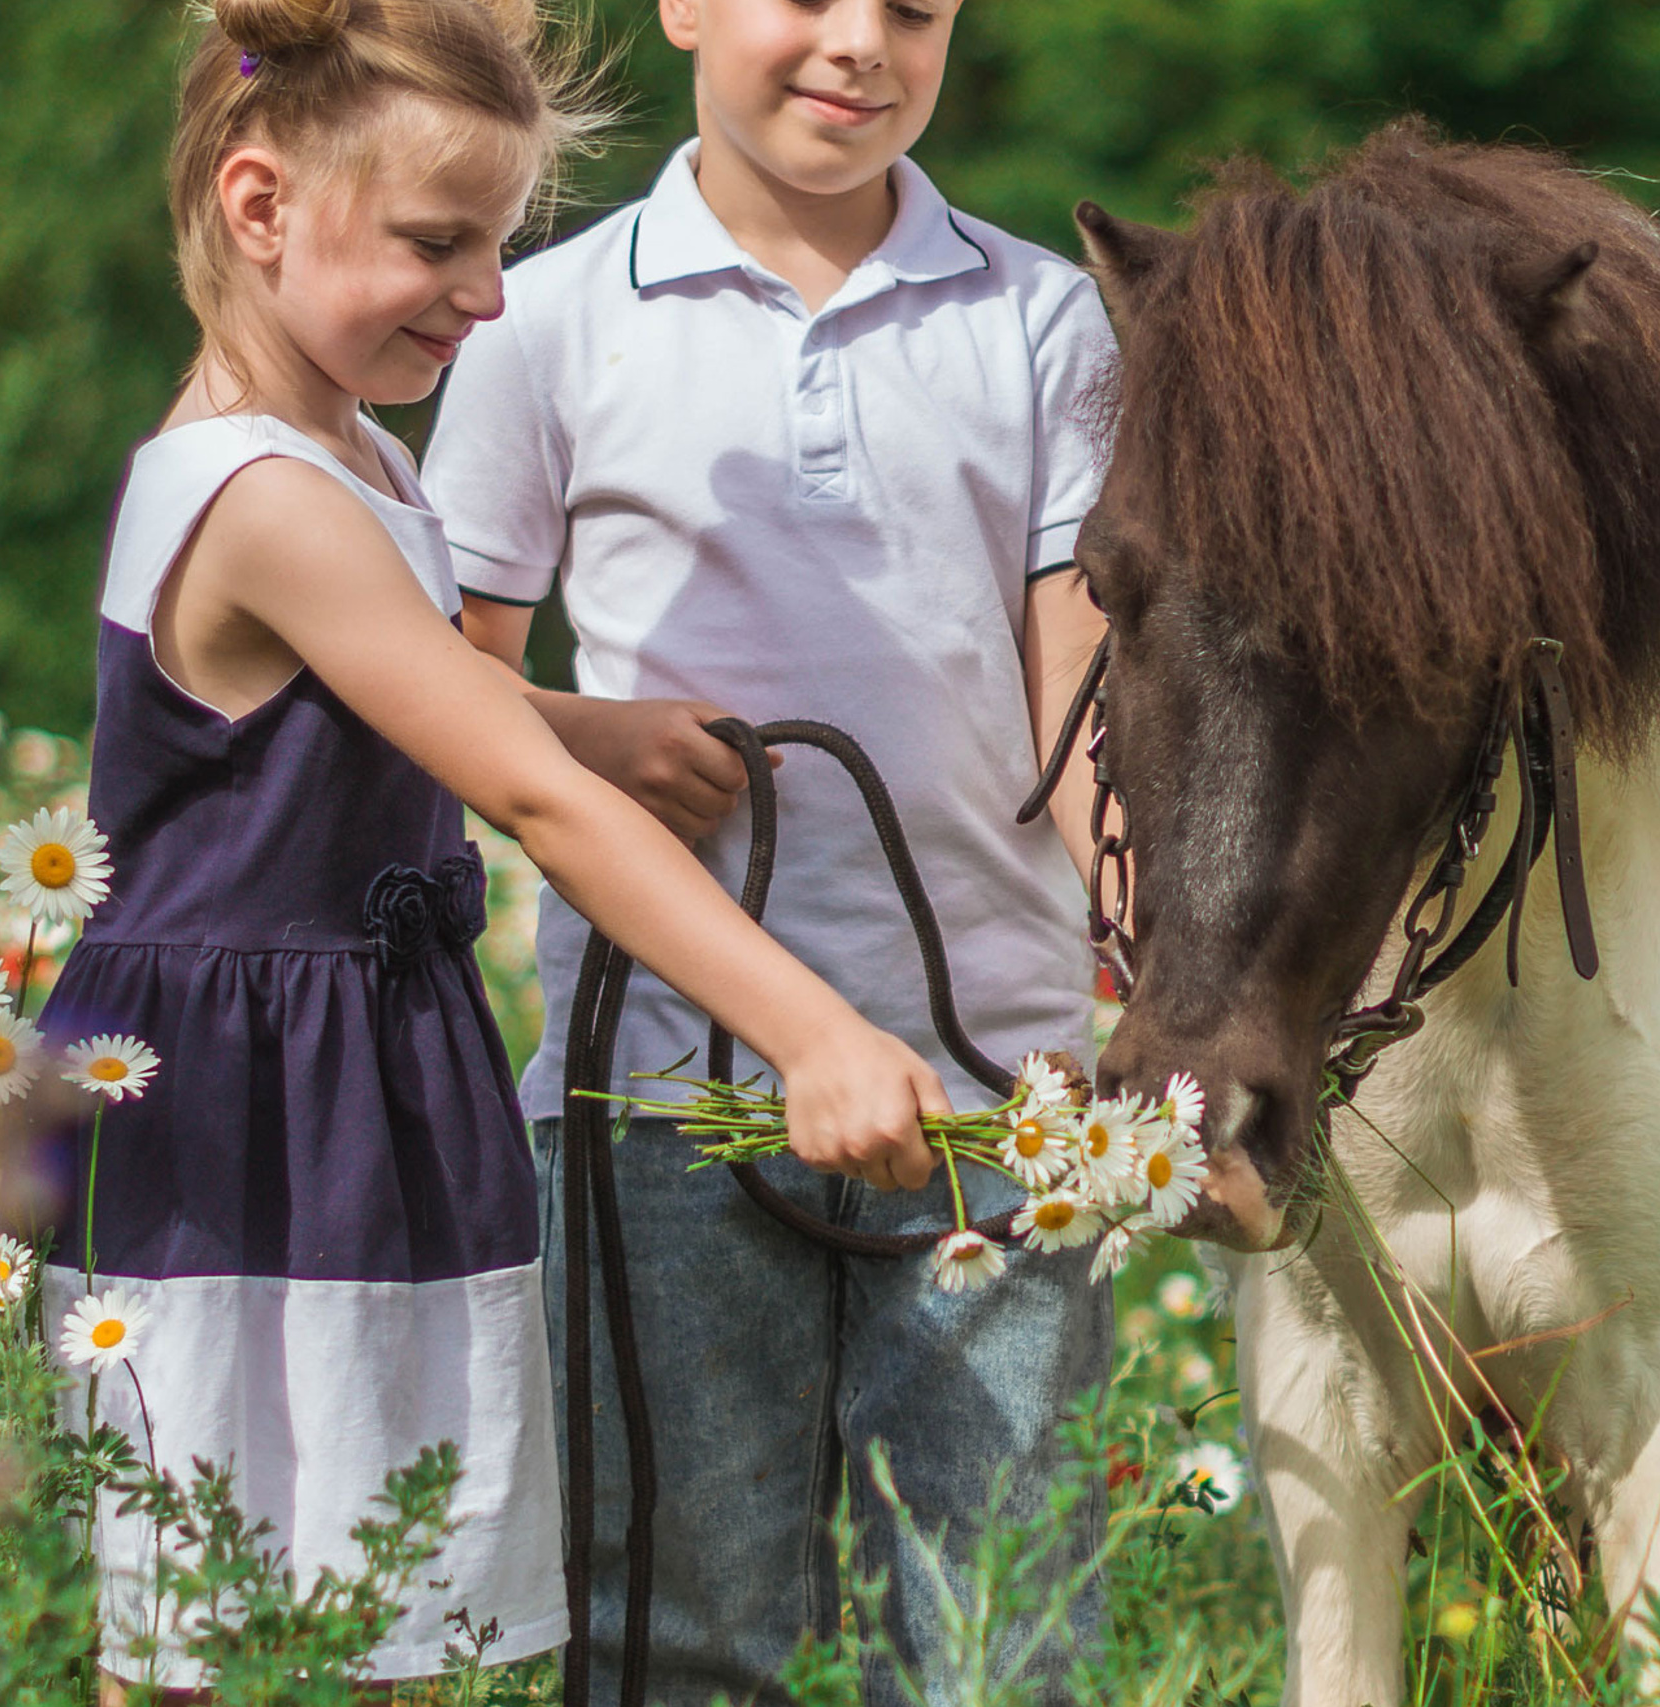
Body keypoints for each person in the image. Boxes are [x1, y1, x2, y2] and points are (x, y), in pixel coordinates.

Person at [40, 0, 955, 1694]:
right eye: (438, 244)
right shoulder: (264, 496)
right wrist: (811, 1028)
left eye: (506, 243)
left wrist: (594, 722)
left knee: (376, 1595)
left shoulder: (355, 454)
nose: (487, 294)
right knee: (216, 1612)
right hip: (250, 1111)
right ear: (259, 208)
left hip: (360, 1074)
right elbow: (528, 808)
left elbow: (430, 702)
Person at [420, 0, 1118, 1698]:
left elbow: (1084, 700)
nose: (861, 44)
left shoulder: (1044, 317)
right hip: (666, 1089)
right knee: (681, 1633)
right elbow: (450, 695)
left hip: (992, 1087)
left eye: (916, 10)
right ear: (682, 9)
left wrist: (1160, 970)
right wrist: (604, 737)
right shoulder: (544, 320)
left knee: (1001, 1644)